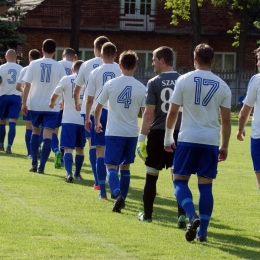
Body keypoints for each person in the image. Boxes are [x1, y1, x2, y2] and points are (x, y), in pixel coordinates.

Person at [164, 43, 231, 242]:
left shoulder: (184, 80)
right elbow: (226, 121)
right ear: (213, 61)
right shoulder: (223, 85)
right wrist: (225, 146)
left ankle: (191, 216)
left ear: (194, 60)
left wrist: (168, 137)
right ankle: (203, 232)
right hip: (210, 140)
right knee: (206, 186)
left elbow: (173, 112)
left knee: (179, 180)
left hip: (188, 138)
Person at [137, 46, 186, 226]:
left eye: (153, 59)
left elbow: (148, 113)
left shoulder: (153, 82)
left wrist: (141, 138)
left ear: (162, 60)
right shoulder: (183, 80)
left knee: (151, 175)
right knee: (179, 176)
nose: (152, 63)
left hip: (158, 133)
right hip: (180, 132)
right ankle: (181, 215)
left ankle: (148, 214)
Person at [94, 50, 146, 212]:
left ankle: (117, 194)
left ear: (120, 66)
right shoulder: (141, 87)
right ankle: (122, 196)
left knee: (110, 166)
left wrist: (97, 122)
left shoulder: (110, 84)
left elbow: (98, 107)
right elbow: (145, 113)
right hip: (131, 133)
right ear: (136, 67)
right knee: (125, 167)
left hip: (114, 132)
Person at [22, 39, 66, 174]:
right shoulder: (58, 66)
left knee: (35, 132)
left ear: (42, 49)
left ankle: (34, 162)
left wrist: (24, 102)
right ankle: (42, 166)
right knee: (48, 135)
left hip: (35, 104)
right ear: (55, 51)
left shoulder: (33, 64)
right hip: (51, 106)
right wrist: (63, 101)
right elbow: (64, 86)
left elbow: (27, 85)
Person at [85, 42, 121, 200]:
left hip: (99, 113)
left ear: (100, 55)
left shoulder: (95, 71)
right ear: (115, 55)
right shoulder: (121, 69)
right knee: (114, 153)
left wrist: (87, 117)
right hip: (116, 114)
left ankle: (102, 192)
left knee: (100, 152)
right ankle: (115, 189)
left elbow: (89, 99)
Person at [74, 36, 110, 190]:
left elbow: (77, 88)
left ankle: (98, 181)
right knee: (107, 146)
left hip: (92, 109)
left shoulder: (87, 65)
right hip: (111, 110)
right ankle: (109, 177)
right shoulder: (116, 66)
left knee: (93, 146)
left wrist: (77, 102)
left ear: (95, 48)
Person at [50, 60, 85, 182]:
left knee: (68, 149)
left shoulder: (66, 79)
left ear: (72, 69)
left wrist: (52, 103)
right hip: (83, 120)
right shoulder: (89, 81)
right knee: (80, 149)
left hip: (69, 120)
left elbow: (54, 95)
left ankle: (69, 173)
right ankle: (77, 174)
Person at [237, 47, 260, 192]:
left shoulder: (257, 80)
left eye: (259, 60)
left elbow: (245, 112)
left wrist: (240, 130)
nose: (258, 64)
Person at [52, 47, 77, 169]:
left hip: (58, 103)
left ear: (62, 55)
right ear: (74, 57)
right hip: (72, 104)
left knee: (54, 131)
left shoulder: (57, 65)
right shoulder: (77, 67)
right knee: (66, 132)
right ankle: (64, 155)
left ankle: (56, 150)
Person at [16, 49, 41, 158]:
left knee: (29, 128)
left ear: (29, 58)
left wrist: (25, 91)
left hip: (29, 101)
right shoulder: (41, 68)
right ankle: (38, 148)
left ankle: (30, 152)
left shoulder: (26, 69)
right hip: (41, 101)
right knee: (40, 128)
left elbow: (17, 86)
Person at [0, 49, 23, 153]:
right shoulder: (21, 69)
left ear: (5, 57)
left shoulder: (1, 68)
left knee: (1, 121)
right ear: (16, 57)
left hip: (3, 96)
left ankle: (1, 144)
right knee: (12, 121)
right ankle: (9, 146)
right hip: (16, 97)